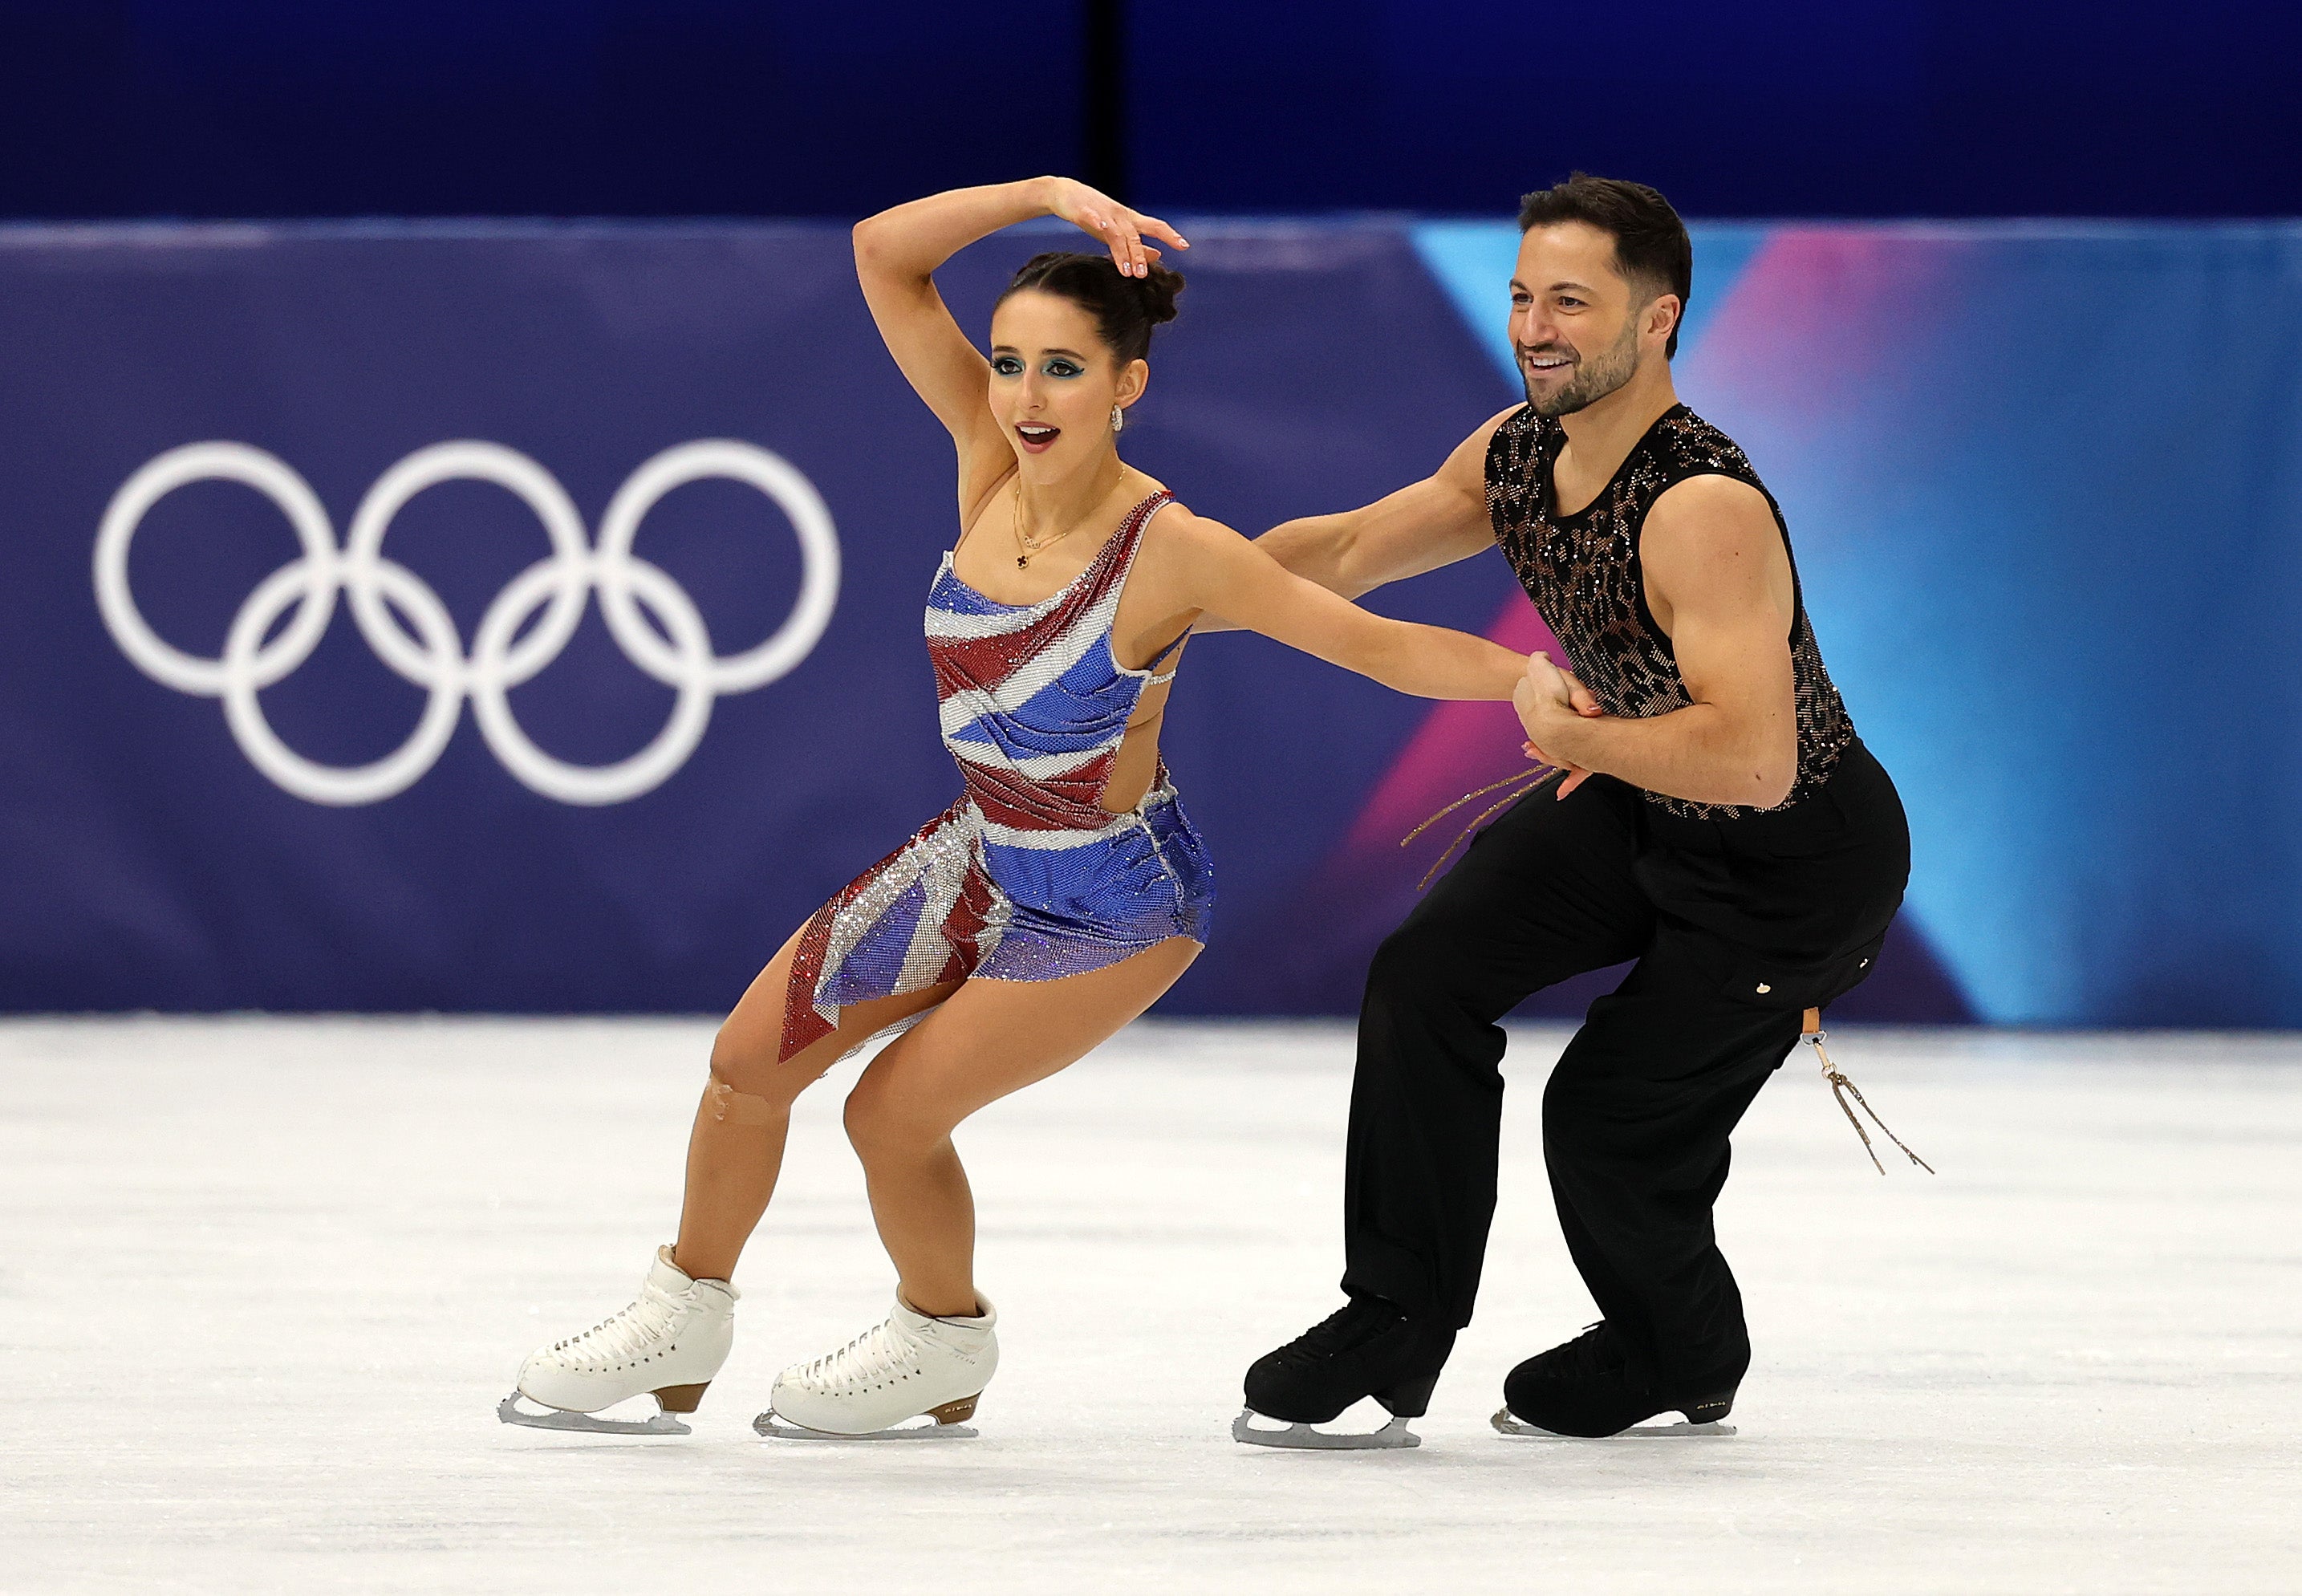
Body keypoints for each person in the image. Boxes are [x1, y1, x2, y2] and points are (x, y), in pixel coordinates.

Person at [499, 177, 1533, 1440]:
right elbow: (883, 253)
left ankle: (941, 1338)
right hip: (985, 850)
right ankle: (682, 1314)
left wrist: (1541, 686)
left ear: (1124, 386)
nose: (1024, 395)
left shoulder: (1175, 548)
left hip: (1119, 901)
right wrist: (1042, 192)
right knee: (741, 1066)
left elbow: (1376, 648)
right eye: (1006, 364)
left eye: (1060, 369)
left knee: (890, 1112)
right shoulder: (985, 463)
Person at [1236, 174, 1911, 1447]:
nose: (1535, 327)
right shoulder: (1513, 451)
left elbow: (1758, 761)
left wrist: (1562, 732)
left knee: (1602, 1118)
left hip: (1791, 864)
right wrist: (1166, 574)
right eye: (1521, 297)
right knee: (1424, 973)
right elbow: (1342, 553)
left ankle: (1680, 1346)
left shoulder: (1699, 506)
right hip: (1642, 802)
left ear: (1655, 322)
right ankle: (1392, 1316)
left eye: (1570, 302)